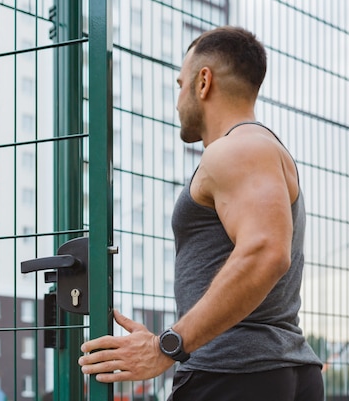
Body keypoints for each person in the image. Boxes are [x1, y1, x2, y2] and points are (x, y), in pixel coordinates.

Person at [78, 26, 324, 401]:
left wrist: (167, 346)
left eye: (180, 84)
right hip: (275, 370)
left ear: (203, 82)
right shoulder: (259, 148)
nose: (178, 100)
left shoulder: (237, 149)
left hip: (234, 376)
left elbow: (267, 252)